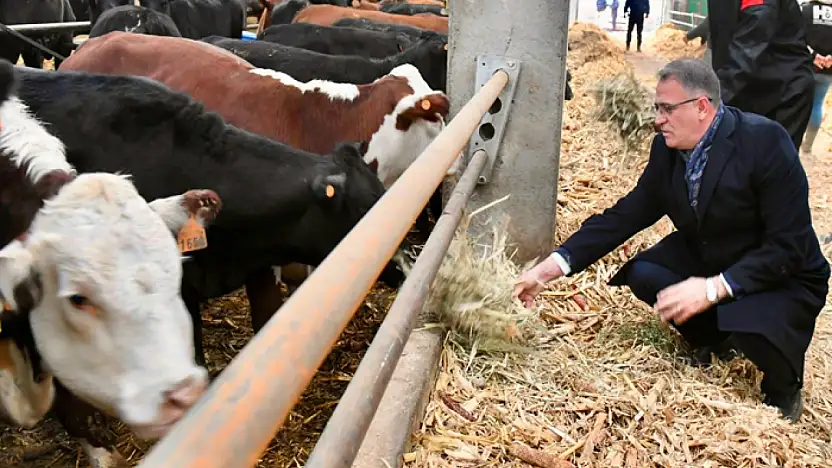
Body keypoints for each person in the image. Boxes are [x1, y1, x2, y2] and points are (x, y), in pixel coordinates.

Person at [513, 59, 829, 423]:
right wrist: (548, 270)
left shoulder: (764, 142)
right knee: (646, 273)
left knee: (756, 330)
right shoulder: (666, 149)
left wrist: (713, 288)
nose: (657, 119)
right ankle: (713, 339)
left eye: (666, 109)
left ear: (701, 107)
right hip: (714, 253)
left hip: (779, 271)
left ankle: (784, 387)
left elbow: (787, 247)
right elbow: (627, 214)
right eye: (656, 108)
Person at [707, 0, 816, 150]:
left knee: (769, 165)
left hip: (782, 93)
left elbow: (751, 40)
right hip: (747, 88)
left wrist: (710, 100)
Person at [799, 0, 832, 155]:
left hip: (805, 65)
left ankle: (795, 141)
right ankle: (808, 146)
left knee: (798, 103)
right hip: (828, 69)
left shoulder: (805, 9)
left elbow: (797, 36)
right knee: (817, 104)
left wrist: (814, 55)